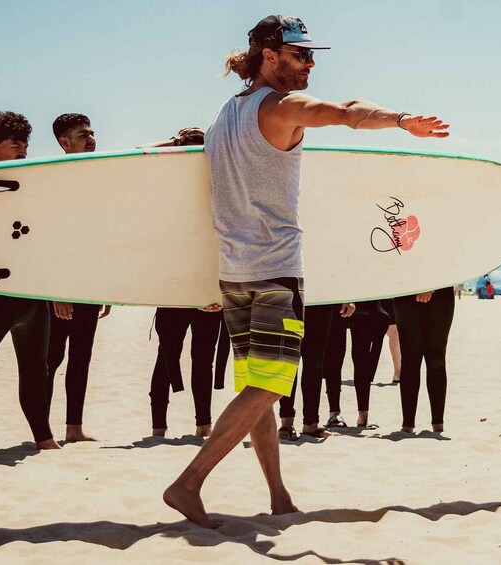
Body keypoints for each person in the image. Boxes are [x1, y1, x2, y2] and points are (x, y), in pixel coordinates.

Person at [163, 14, 449, 528]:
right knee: (272, 385)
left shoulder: (225, 114)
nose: (310, 64)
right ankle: (188, 484)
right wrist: (403, 120)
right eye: (301, 55)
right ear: (269, 57)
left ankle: (278, 494)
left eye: (312, 56)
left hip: (235, 272)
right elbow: (346, 113)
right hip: (274, 270)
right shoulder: (281, 106)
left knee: (258, 389)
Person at [0, 111, 59, 450]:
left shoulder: (32, 187)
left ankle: (44, 439)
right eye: (15, 145)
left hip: (33, 293)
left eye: (25, 146)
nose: (23, 152)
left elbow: (43, 240)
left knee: (37, 371)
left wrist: (58, 288)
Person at [143, 127, 226, 438]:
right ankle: (158, 428)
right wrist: (176, 142)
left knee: (202, 360)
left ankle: (203, 425)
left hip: (208, 291)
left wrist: (217, 292)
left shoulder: (219, 187)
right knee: (167, 358)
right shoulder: (166, 195)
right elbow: (140, 151)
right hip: (175, 290)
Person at [45, 113, 110, 443]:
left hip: (89, 285)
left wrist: (106, 286)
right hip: (59, 287)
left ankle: (74, 429)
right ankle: (41, 432)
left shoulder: (97, 180)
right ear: (64, 142)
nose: (91, 138)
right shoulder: (56, 179)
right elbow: (51, 238)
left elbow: (102, 237)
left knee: (81, 357)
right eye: (83, 134)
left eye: (92, 132)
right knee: (50, 359)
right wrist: (58, 289)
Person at [276, 302, 354, 439]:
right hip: (290, 296)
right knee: (289, 360)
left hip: (321, 299)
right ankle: (286, 421)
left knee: (315, 361)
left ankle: (310, 423)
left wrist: (348, 298)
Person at [321, 300, 392, 429]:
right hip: (336, 299)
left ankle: (364, 414)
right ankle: (334, 413)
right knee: (334, 354)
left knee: (362, 356)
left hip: (362, 298)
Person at [394, 287, 455, 434]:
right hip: (406, 292)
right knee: (409, 360)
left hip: (441, 292)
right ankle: (408, 423)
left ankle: (438, 423)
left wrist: (430, 287)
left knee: (436, 359)